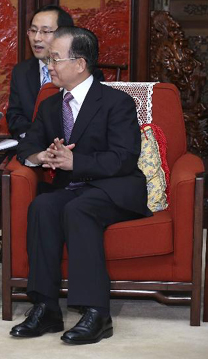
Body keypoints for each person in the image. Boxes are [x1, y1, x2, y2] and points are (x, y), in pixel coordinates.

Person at [10, 27, 150, 345]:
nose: (50, 66)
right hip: (71, 189)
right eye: (49, 60)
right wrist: (40, 155)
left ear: (80, 63)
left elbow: (124, 158)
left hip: (114, 188)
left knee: (79, 209)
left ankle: (97, 313)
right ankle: (46, 307)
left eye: (55, 59)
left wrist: (77, 163)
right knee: (43, 206)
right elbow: (26, 147)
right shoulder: (49, 106)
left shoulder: (117, 103)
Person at [5, 5, 104, 140]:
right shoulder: (21, 71)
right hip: (32, 146)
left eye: (45, 32)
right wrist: (37, 138)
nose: (36, 38)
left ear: (64, 35)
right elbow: (14, 117)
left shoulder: (85, 73)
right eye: (33, 31)